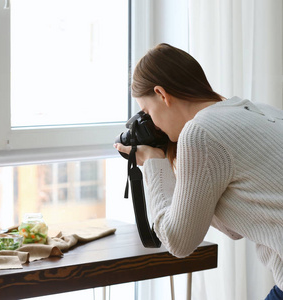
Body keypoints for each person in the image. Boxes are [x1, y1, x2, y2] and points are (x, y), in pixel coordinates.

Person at [114, 43, 283, 299]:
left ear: (161, 93)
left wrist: (154, 164)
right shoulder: (261, 111)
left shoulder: (201, 131)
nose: (153, 125)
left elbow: (178, 243)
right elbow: (236, 228)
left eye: (148, 112)